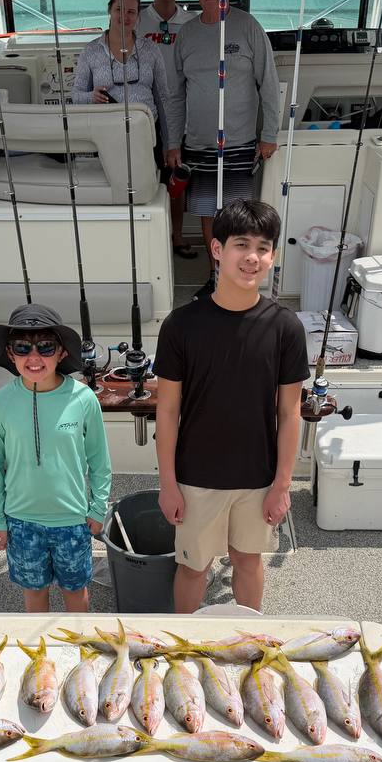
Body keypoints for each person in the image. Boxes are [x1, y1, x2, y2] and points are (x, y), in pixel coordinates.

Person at [153, 199, 308, 614]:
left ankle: (249, 641)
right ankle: (183, 651)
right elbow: (166, 411)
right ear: (218, 249)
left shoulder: (286, 328)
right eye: (242, 244)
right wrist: (168, 483)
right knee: (193, 568)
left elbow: (289, 413)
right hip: (195, 477)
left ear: (272, 256)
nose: (252, 257)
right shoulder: (181, 325)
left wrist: (281, 485)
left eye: (263, 246)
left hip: (257, 479)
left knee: (248, 560)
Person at [0, 304, 112, 614]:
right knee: (35, 596)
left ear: (62, 353)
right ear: (11, 355)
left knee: (76, 594)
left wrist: (97, 508)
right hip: (21, 522)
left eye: (45, 347)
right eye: (23, 348)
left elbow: (99, 461)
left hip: (72, 520)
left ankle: (80, 656)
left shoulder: (83, 399)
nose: (34, 357)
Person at [164, 0, 280, 255]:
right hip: (198, 144)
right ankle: (215, 276)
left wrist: (269, 133)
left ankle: (233, 277)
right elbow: (175, 95)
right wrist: (173, 143)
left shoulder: (248, 26)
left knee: (238, 215)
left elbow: (269, 84)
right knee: (208, 213)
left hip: (240, 143)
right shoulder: (187, 34)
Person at [136, 0, 197, 259]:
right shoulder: (136, 20)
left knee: (177, 177)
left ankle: (177, 235)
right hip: (146, 111)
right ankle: (150, 237)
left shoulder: (191, 22)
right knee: (147, 177)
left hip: (180, 109)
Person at [71, 0, 171, 151]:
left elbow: (164, 99)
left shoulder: (151, 49)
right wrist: (91, 97)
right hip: (106, 137)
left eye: (131, 12)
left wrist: (169, 144)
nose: (125, 17)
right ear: (110, 10)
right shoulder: (91, 51)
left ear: (138, 15)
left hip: (147, 137)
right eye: (119, 9)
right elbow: (76, 96)